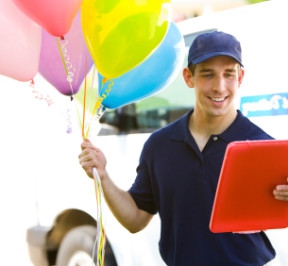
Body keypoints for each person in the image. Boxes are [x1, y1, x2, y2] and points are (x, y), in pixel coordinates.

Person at [79, 31, 288, 266]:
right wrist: (103, 176)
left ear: (240, 78)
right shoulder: (159, 146)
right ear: (189, 77)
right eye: (208, 75)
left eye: (228, 74)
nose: (220, 87)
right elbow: (135, 220)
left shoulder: (263, 147)